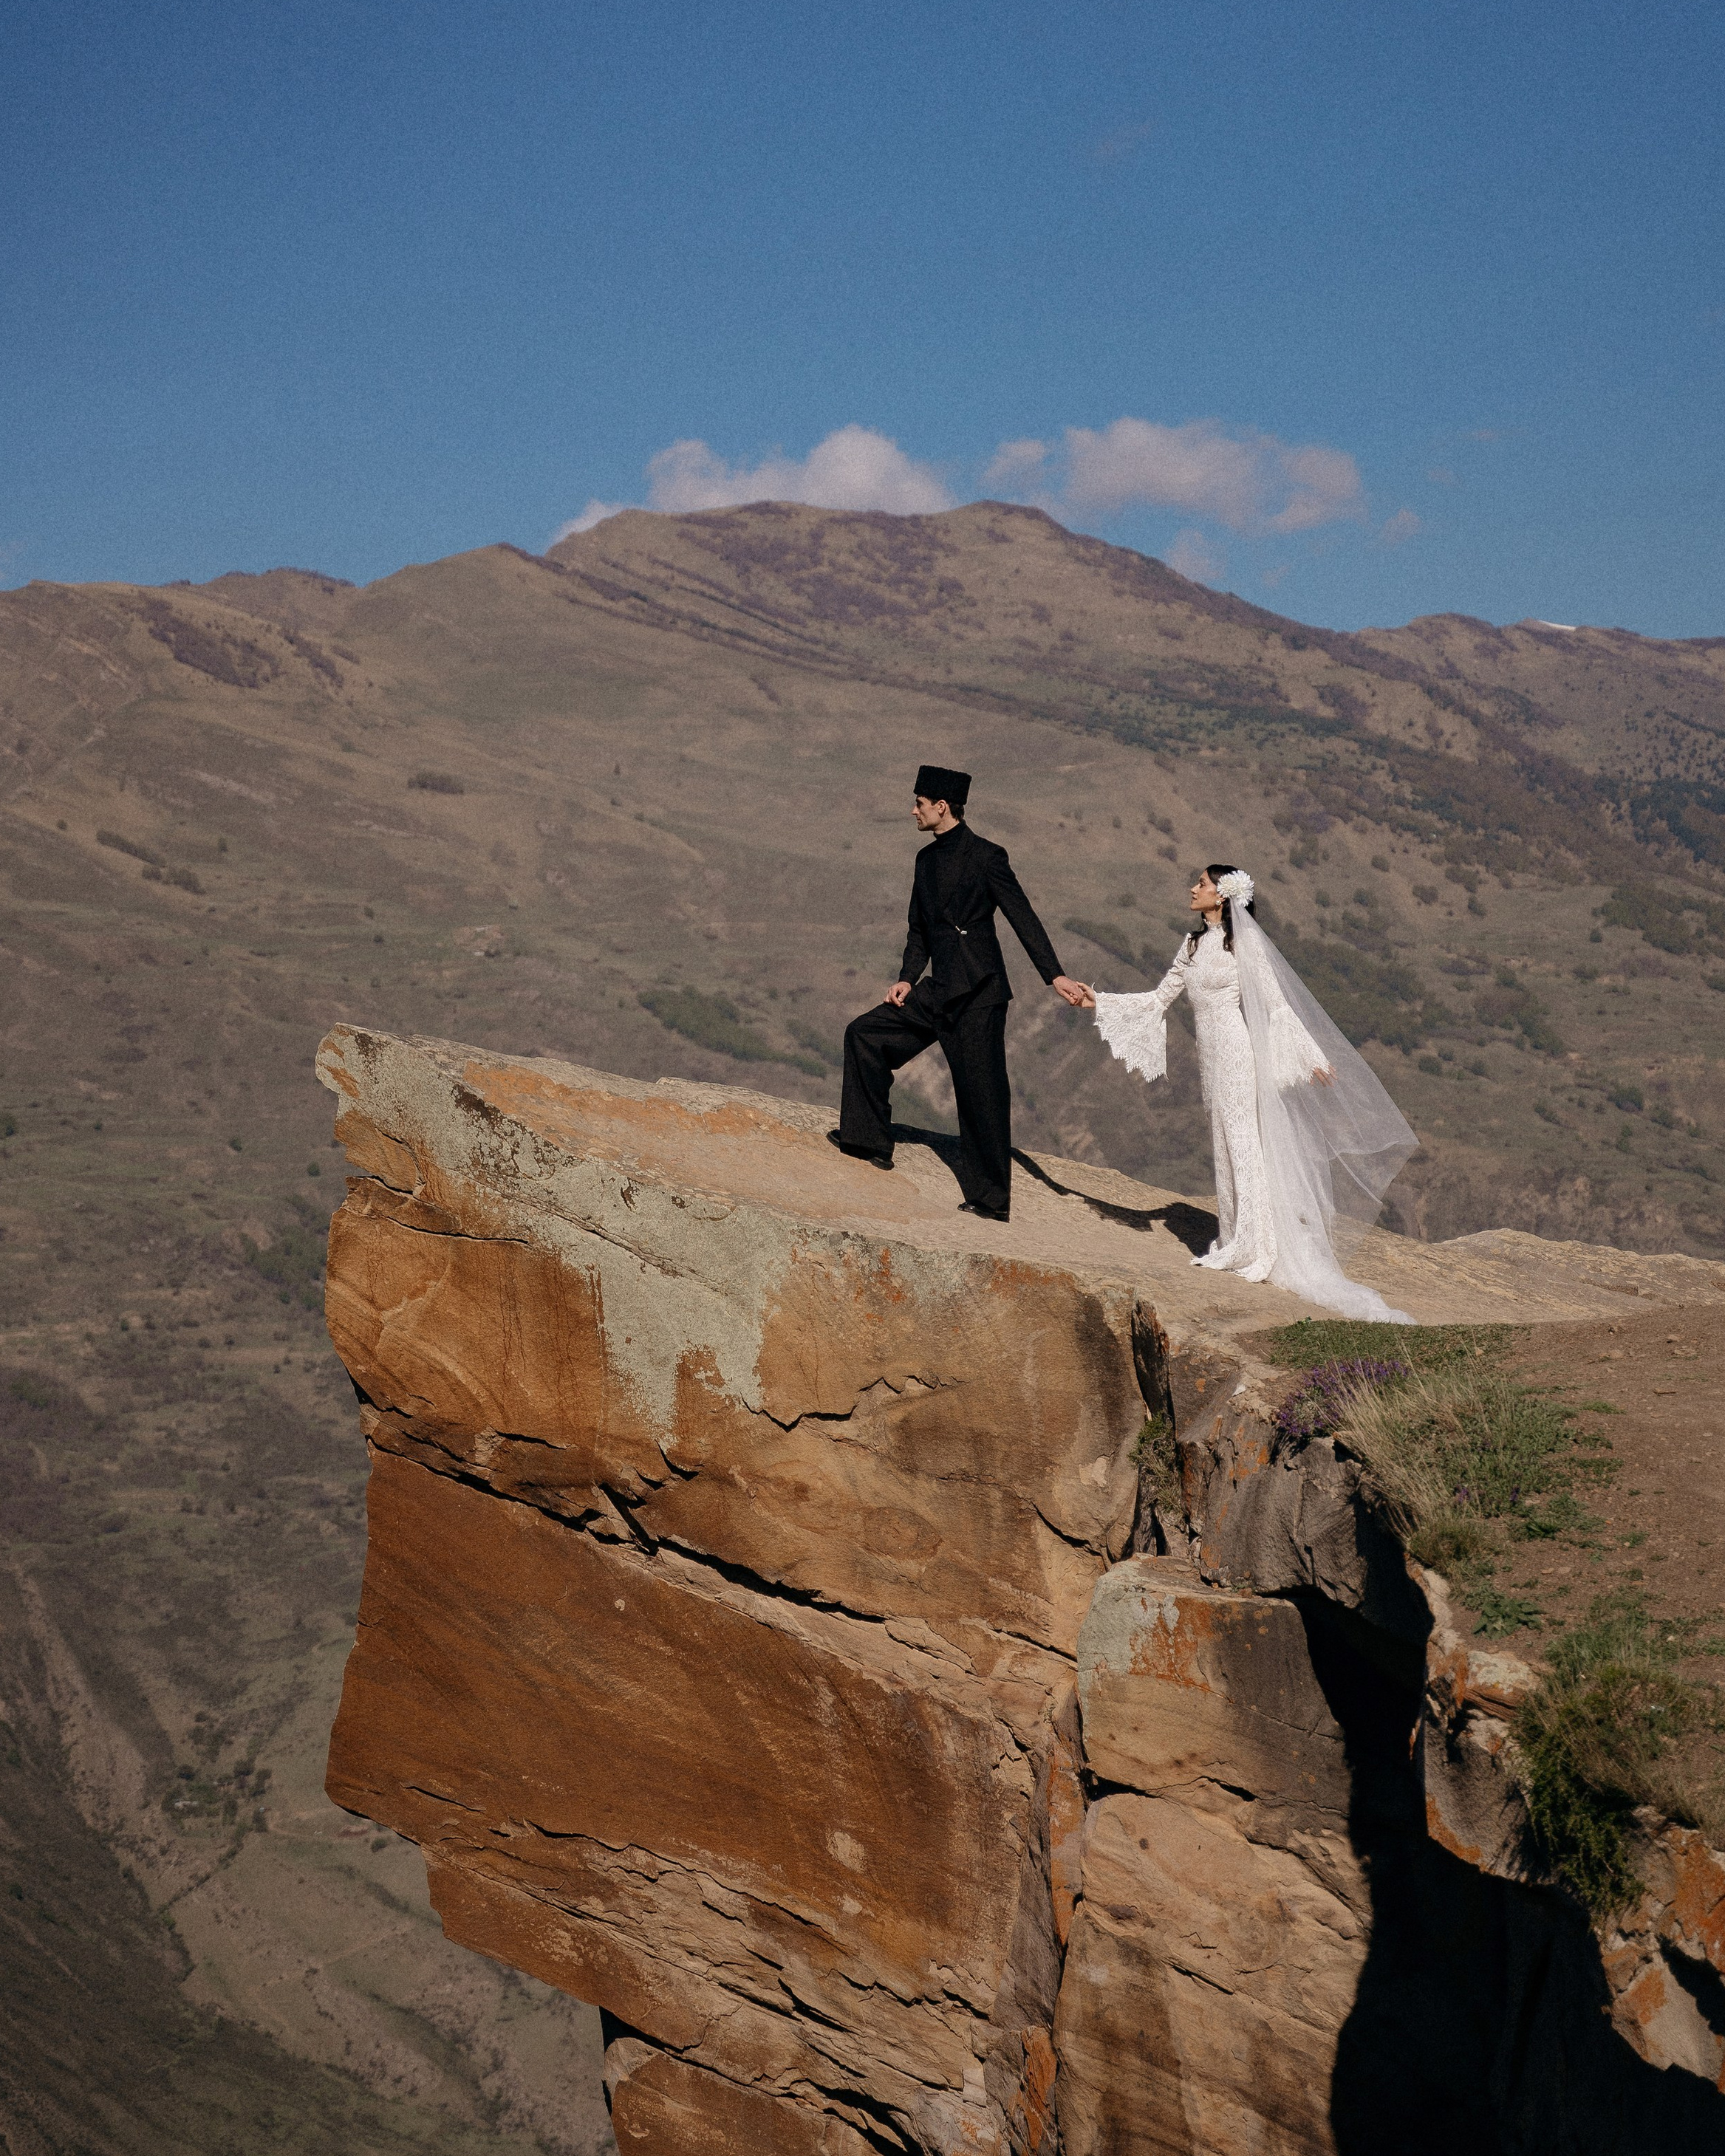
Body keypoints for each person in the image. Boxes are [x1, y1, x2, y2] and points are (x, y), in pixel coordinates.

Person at [1076, 864, 1417, 1321]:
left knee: (1242, 1140)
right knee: (1224, 1140)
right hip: (1209, 1058)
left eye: (1201, 883)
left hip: (1237, 1052)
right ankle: (1237, 1234)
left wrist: (1310, 1057)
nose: (1193, 889)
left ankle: (1257, 1246)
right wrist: (1099, 1001)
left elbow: (1276, 1005)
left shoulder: (1246, 945)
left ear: (1222, 896)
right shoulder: (1193, 944)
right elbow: (1159, 999)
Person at [835, 764, 1090, 1222]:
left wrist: (1055, 976)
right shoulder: (925, 860)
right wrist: (907, 978)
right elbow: (919, 928)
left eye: (918, 803)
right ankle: (869, 1141)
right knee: (866, 1034)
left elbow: (1022, 916)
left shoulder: (988, 856)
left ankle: (991, 1200)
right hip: (936, 990)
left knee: (982, 1095)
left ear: (942, 806)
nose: (912, 810)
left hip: (980, 992)